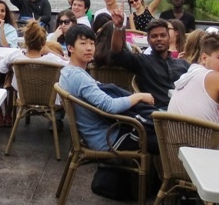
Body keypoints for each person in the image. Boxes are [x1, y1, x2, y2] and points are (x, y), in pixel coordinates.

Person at [58, 23, 156, 152]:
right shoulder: (78, 76)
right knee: (162, 139)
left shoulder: (68, 72)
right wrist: (139, 96)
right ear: (70, 48)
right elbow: (111, 106)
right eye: (83, 43)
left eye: (92, 43)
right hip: (108, 138)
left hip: (102, 132)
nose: (89, 48)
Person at [106, 14, 186, 110]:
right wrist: (118, 28)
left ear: (169, 38)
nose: (159, 39)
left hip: (185, 110)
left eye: (163, 35)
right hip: (159, 112)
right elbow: (117, 53)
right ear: (148, 40)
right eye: (154, 36)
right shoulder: (142, 61)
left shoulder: (182, 64)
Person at [0, 22, 66, 93]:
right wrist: (51, 52)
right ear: (44, 43)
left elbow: (2, 69)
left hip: (22, 97)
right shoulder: (52, 59)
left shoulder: (15, 55)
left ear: (25, 40)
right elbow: (69, 66)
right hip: (48, 98)